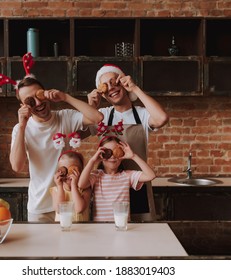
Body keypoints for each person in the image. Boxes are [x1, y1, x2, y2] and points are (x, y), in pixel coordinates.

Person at [9, 75, 103, 222]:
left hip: (70, 202)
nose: (39, 102)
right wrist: (22, 126)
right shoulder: (20, 129)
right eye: (30, 101)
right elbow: (17, 166)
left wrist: (65, 97)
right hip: (39, 207)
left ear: (46, 93)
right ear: (23, 106)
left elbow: (97, 118)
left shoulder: (65, 117)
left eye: (39, 95)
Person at [86, 64, 169, 221]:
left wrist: (135, 89)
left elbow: (162, 118)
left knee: (140, 235)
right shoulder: (101, 116)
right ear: (103, 94)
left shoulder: (142, 115)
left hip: (138, 183)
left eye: (114, 82)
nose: (111, 88)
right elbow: (76, 132)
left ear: (123, 82)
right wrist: (91, 107)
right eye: (106, 86)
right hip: (109, 190)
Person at [78, 136, 156, 221]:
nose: (112, 157)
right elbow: (81, 184)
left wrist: (133, 156)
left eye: (115, 152)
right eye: (107, 153)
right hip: (100, 227)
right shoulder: (96, 176)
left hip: (122, 225)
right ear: (101, 155)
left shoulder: (127, 176)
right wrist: (92, 161)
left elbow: (151, 176)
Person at [50, 150, 91, 222]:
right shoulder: (55, 190)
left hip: (82, 230)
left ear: (81, 172)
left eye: (73, 171)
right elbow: (59, 209)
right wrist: (59, 186)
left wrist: (74, 185)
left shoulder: (85, 189)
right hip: (62, 230)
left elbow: (79, 209)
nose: (67, 174)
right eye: (63, 171)